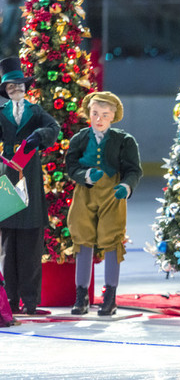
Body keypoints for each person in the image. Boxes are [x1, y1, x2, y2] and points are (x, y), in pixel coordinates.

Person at [66, 91, 142, 316]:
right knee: (83, 238)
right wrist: (85, 175)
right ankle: (82, 295)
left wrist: (126, 186)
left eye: (105, 115)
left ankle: (110, 296)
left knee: (112, 240)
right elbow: (71, 165)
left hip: (112, 194)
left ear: (113, 116)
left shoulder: (124, 140)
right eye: (95, 113)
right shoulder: (80, 138)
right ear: (88, 113)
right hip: (85, 193)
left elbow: (133, 170)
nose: (99, 119)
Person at [0, 56, 60, 315]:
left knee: (31, 243)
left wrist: (40, 137)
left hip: (30, 176)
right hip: (7, 177)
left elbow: (53, 127)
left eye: (20, 86)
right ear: (6, 90)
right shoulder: (1, 114)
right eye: (11, 87)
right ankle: (11, 299)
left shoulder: (35, 112)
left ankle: (31, 299)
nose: (16, 90)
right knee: (8, 246)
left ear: (26, 88)